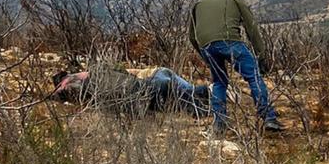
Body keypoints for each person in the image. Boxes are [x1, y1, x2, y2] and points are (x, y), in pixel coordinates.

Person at [189, 0, 282, 135]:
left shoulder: (199, 2)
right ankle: (268, 118)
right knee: (253, 77)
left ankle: (219, 124)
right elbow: (251, 28)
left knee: (219, 82)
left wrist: (204, 55)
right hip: (230, 41)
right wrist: (261, 56)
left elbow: (192, 36)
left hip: (206, 46)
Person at [52, 65, 210, 116]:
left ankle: (205, 110)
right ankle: (210, 92)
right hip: (147, 83)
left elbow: (57, 97)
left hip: (143, 92)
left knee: (181, 102)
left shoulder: (68, 86)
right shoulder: (90, 73)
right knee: (183, 91)